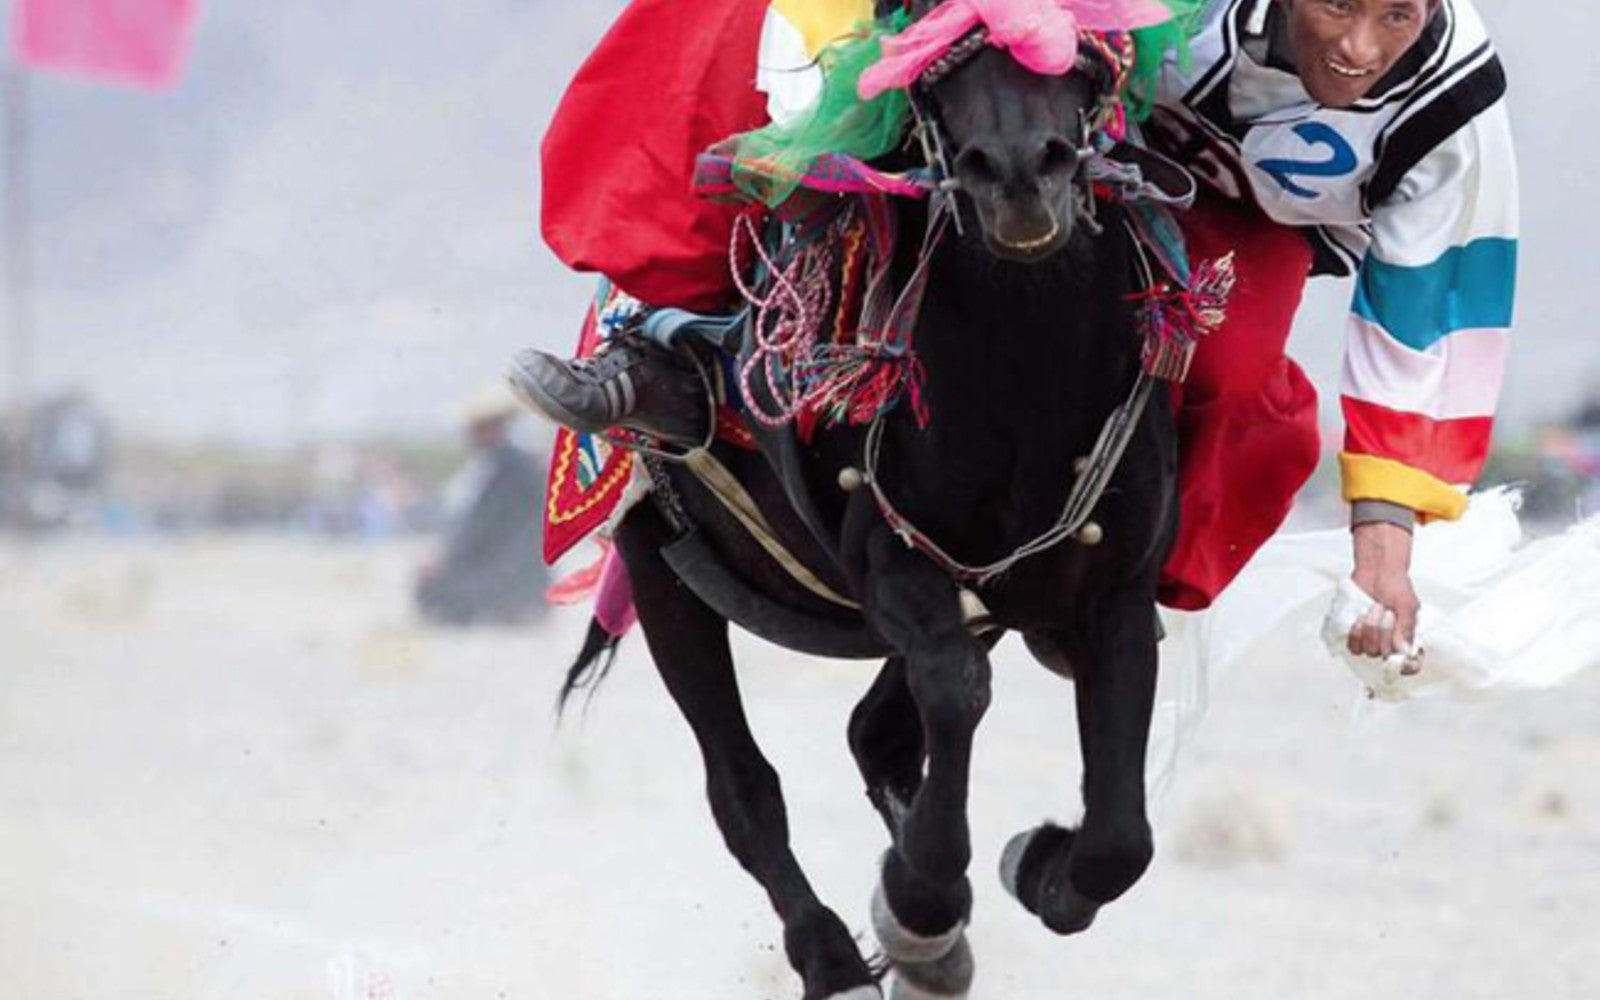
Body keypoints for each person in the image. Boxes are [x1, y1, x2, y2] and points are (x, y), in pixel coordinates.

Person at [510, 0, 1516, 667]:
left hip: (1243, 216)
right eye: (1337, 3)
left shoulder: (1451, 107)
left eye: (1399, 11)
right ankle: (664, 331)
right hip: (1071, 117)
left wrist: (1384, 551)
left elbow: (1423, 310)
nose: (1358, 50)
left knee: (1231, 369)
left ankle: (1112, 592)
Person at [415, 387, 549, 627]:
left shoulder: (514, 468)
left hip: (511, 571)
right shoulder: (496, 465)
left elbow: (485, 528)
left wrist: (447, 558)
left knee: (436, 591)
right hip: (503, 564)